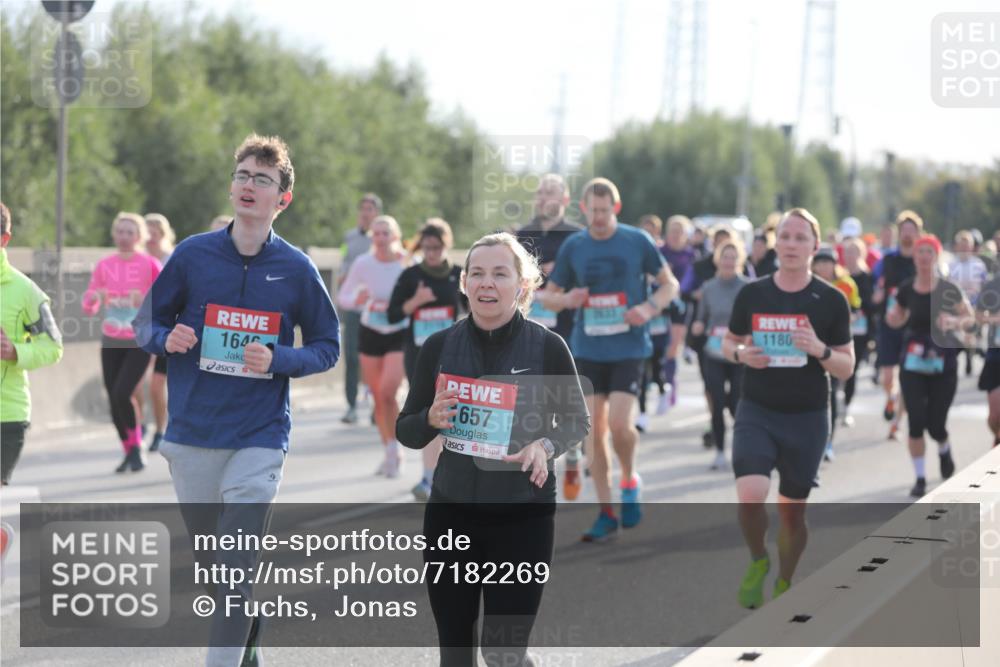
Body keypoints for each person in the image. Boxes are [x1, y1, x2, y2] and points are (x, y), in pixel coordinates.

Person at [134, 133, 340, 667]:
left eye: (263, 180)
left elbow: (327, 347)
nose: (250, 185)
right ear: (232, 187)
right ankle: (247, 632)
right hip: (194, 432)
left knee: (234, 566)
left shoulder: (296, 269)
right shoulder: (192, 255)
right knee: (216, 568)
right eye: (243, 176)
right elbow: (145, 322)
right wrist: (165, 339)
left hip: (260, 435)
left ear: (282, 199)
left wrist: (279, 359)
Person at [396, 232, 590, 667]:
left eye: (500, 274)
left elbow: (578, 421)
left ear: (522, 285)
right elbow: (407, 431)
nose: (487, 283)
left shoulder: (547, 347)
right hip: (451, 512)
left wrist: (545, 444)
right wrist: (430, 419)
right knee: (456, 654)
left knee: (503, 653)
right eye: (477, 274)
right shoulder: (439, 347)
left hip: (523, 517)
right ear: (464, 283)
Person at [722, 208, 854, 608]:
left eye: (801, 238)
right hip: (757, 409)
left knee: (792, 514)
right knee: (751, 492)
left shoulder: (831, 300)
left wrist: (820, 350)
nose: (792, 244)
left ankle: (784, 578)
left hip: (808, 417)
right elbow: (727, 344)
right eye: (786, 236)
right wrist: (743, 354)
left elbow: (846, 367)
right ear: (776, 243)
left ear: (815, 246)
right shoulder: (753, 293)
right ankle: (759, 560)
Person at [545, 177, 678, 542]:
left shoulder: (637, 241)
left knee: (620, 425)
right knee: (594, 432)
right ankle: (605, 511)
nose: (599, 218)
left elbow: (670, 284)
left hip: (629, 348)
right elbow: (548, 296)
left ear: (615, 209)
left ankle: (630, 479)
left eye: (605, 211)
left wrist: (649, 307)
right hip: (588, 349)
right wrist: (568, 299)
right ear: (584, 209)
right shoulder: (575, 246)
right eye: (593, 211)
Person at [514, 173, 586, 500]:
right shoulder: (522, 235)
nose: (544, 198)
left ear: (565, 200)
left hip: (567, 328)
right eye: (541, 192)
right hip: (531, 329)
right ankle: (538, 467)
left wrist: (555, 279)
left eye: (552, 193)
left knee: (564, 396)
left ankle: (570, 450)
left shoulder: (576, 238)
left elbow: (580, 281)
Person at [885, 234, 970, 498]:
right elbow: (895, 319)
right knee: (916, 422)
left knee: (935, 424)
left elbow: (969, 319)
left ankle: (943, 447)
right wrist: (892, 318)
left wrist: (954, 322)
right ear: (915, 256)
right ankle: (920, 478)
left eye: (928, 252)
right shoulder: (906, 288)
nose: (923, 257)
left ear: (936, 256)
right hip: (913, 361)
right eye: (919, 251)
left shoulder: (948, 289)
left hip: (943, 362)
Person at [388, 218, 465, 500]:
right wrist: (416, 301)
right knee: (428, 414)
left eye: (437, 247)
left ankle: (446, 474)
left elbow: (475, 309)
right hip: (419, 354)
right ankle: (428, 477)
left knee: (449, 414)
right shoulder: (410, 276)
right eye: (427, 247)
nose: (431, 253)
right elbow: (393, 314)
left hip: (453, 354)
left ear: (447, 246)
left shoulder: (459, 275)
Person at [83, 213, 162, 473]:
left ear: (140, 237)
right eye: (121, 231)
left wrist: (146, 300)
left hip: (140, 340)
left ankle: (137, 446)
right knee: (113, 399)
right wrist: (96, 296)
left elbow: (166, 298)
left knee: (122, 392)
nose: (125, 237)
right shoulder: (105, 265)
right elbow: (88, 305)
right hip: (111, 339)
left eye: (131, 232)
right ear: (114, 234)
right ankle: (129, 449)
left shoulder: (149, 264)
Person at [338, 215, 409, 477]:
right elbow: (343, 298)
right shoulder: (363, 263)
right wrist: (358, 298)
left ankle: (397, 443)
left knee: (390, 391)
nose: (380, 239)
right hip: (371, 331)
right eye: (376, 234)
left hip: (399, 332)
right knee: (378, 397)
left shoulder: (407, 262)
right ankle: (390, 449)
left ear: (395, 236)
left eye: (385, 233)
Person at [1, 202, 63, 485]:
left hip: (6, 415)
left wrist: (16, 351)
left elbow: (53, 346)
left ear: (4, 239)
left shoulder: (25, 291)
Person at [690, 239, 748, 470]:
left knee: (736, 402)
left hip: (737, 353)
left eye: (733, 257)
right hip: (713, 352)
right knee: (716, 400)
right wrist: (697, 325)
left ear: (740, 260)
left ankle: (742, 447)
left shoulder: (747, 286)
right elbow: (701, 317)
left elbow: (752, 317)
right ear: (718, 260)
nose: (729, 261)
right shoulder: (709, 287)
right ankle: (720, 452)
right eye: (725, 257)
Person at [873, 211, 922, 440]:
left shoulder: (921, 260)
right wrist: (878, 295)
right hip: (889, 322)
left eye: (913, 231)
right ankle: (891, 397)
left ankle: (896, 423)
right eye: (905, 231)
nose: (908, 235)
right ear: (899, 233)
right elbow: (878, 284)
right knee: (888, 377)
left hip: (912, 326)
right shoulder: (889, 259)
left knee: (906, 375)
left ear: (918, 234)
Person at [810, 246, 862, 461]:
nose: (823, 266)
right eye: (819, 262)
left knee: (830, 394)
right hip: (809, 347)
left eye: (827, 262)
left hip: (835, 346)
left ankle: (828, 442)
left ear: (835, 264)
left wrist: (848, 319)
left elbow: (857, 308)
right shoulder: (806, 284)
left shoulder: (845, 284)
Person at [338, 193, 381, 424]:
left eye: (370, 209)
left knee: (374, 360)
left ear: (377, 214)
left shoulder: (383, 239)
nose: (365, 213)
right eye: (362, 209)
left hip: (377, 311)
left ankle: (377, 405)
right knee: (352, 358)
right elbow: (343, 262)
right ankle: (351, 406)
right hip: (354, 308)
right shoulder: (349, 238)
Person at [140, 212, 176, 452]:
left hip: (166, 327)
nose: (152, 237)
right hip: (140, 326)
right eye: (148, 232)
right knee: (136, 383)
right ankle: (139, 424)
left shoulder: (172, 259)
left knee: (157, 382)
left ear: (164, 235)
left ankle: (161, 430)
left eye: (156, 233)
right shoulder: (136, 260)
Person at [635, 214, 673, 431]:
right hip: (639, 326)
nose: (647, 235)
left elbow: (670, 292)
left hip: (658, 324)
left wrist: (655, 299)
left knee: (657, 366)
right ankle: (641, 414)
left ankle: (662, 389)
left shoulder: (660, 257)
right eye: (644, 230)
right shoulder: (634, 256)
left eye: (651, 231)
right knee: (641, 372)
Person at [658, 215, 698, 412]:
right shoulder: (659, 252)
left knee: (672, 348)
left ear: (686, 235)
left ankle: (670, 382)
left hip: (681, 304)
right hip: (658, 305)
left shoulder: (691, 255)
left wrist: (681, 290)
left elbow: (691, 281)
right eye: (672, 231)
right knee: (658, 348)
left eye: (679, 232)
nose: (675, 235)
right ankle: (659, 379)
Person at [841, 237, 875, 427]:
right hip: (840, 329)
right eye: (847, 252)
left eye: (854, 252)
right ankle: (837, 403)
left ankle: (846, 408)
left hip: (860, 331)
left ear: (861, 254)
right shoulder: (840, 276)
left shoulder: (867, 277)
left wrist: (858, 311)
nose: (850, 256)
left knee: (851, 370)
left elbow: (872, 306)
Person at [948, 230, 988, 376]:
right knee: (958, 334)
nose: (964, 248)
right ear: (957, 246)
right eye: (962, 245)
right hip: (956, 306)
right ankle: (962, 354)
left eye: (967, 245)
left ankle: (970, 355)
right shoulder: (951, 265)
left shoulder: (979, 265)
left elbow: (983, 287)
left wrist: (982, 307)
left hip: (974, 304)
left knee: (970, 334)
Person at [976, 271, 1000, 447]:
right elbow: (977, 315)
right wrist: (994, 319)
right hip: (995, 355)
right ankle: (997, 436)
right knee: (995, 415)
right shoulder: (992, 285)